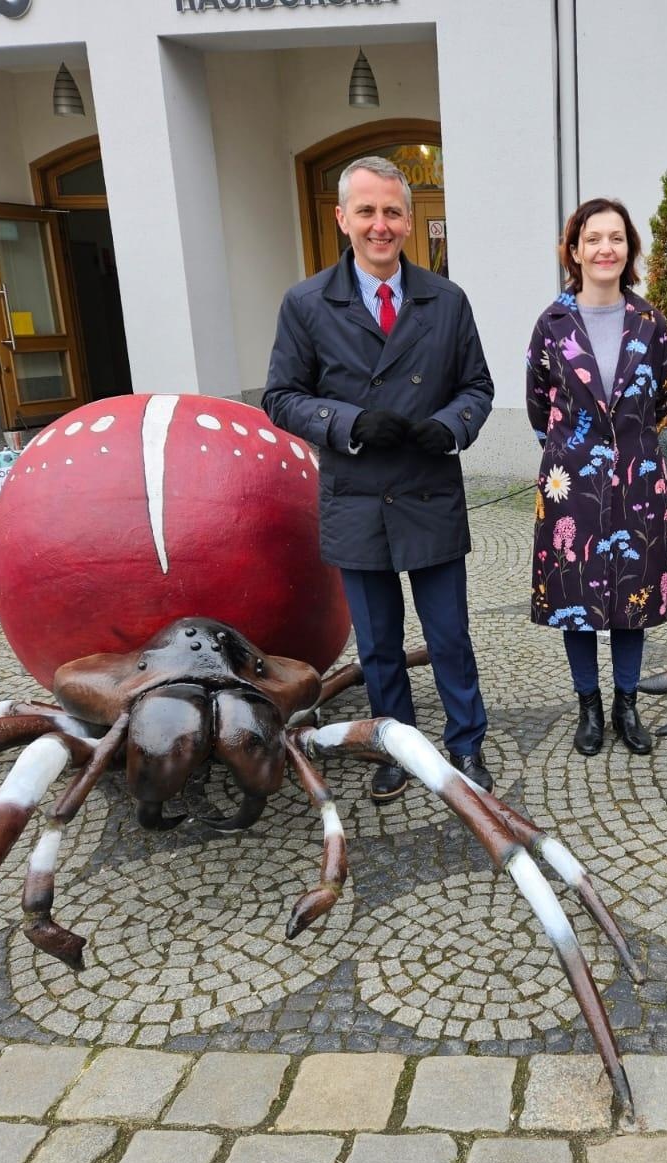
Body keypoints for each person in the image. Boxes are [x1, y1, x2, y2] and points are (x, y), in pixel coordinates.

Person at [264, 155, 496, 800]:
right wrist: (349, 422)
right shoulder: (307, 303)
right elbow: (281, 396)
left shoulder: (445, 300)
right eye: (366, 211)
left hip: (429, 488)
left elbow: (477, 385)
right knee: (379, 644)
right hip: (356, 496)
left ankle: (466, 744)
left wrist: (447, 427)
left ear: (410, 218)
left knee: (449, 634)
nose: (380, 225)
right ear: (342, 217)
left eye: (392, 211)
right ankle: (395, 744)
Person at [526, 198, 667, 755]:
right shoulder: (552, 322)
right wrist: (577, 449)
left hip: (638, 476)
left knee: (632, 595)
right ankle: (588, 706)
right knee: (576, 595)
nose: (604, 248)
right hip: (573, 479)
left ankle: (626, 704)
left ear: (629, 249)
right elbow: (539, 403)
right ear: (575, 249)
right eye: (593, 238)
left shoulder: (650, 322)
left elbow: (660, 398)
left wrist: (624, 443)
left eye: (616, 238)